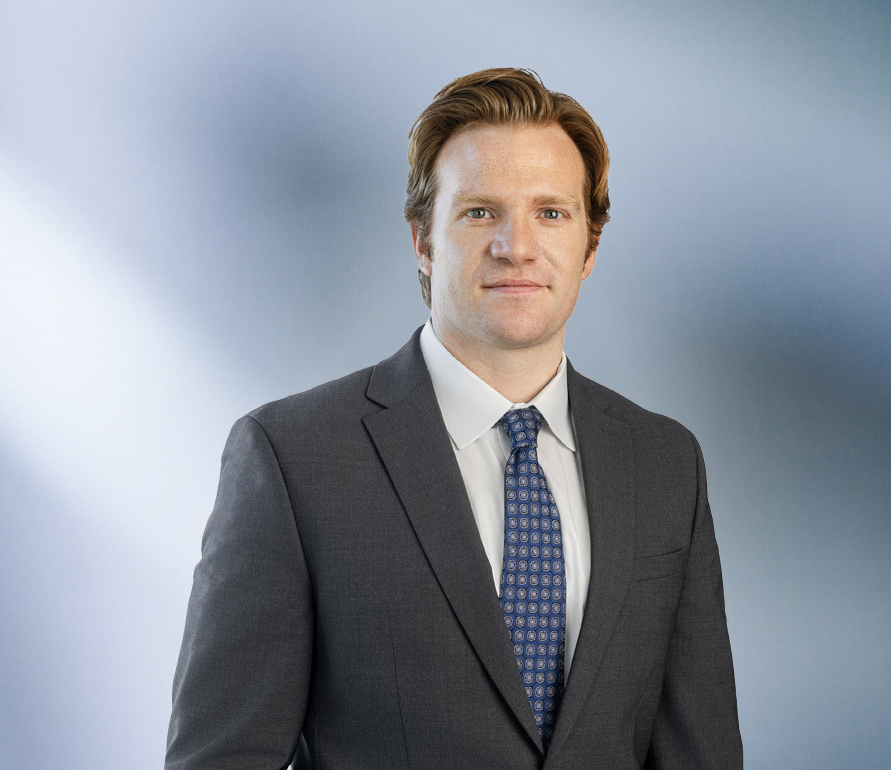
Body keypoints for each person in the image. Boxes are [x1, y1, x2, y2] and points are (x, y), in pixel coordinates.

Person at [167, 68, 741, 769]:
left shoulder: (665, 464)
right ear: (423, 240)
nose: (516, 246)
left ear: (591, 247)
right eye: (479, 213)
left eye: (551, 213)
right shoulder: (293, 459)